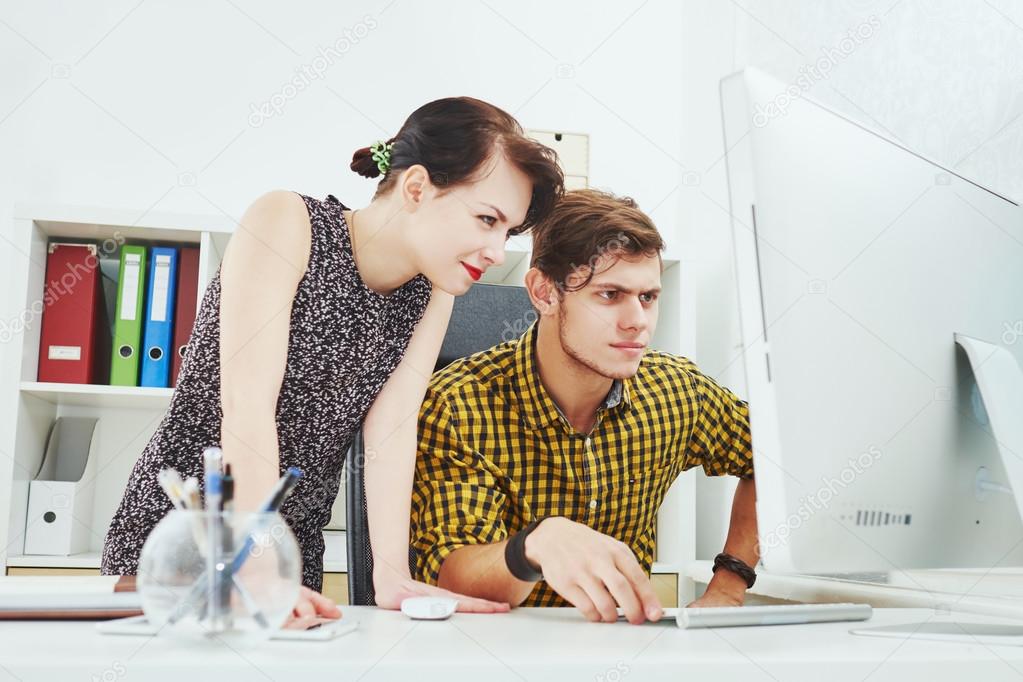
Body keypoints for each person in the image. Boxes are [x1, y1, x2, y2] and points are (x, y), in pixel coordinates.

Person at [101, 96, 564, 627]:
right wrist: (253, 563)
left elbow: (391, 431)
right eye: (487, 219)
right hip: (185, 535)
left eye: (507, 231)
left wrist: (390, 574)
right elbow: (247, 409)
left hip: (291, 552)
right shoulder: (286, 221)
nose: (497, 250)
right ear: (416, 188)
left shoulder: (435, 288)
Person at [410, 189, 759, 625]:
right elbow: (450, 576)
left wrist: (731, 582)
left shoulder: (677, 390)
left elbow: (773, 457)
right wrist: (532, 546)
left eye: (648, 297)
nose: (638, 321)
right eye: (610, 294)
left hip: (621, 650)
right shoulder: (457, 403)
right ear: (543, 292)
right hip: (491, 653)